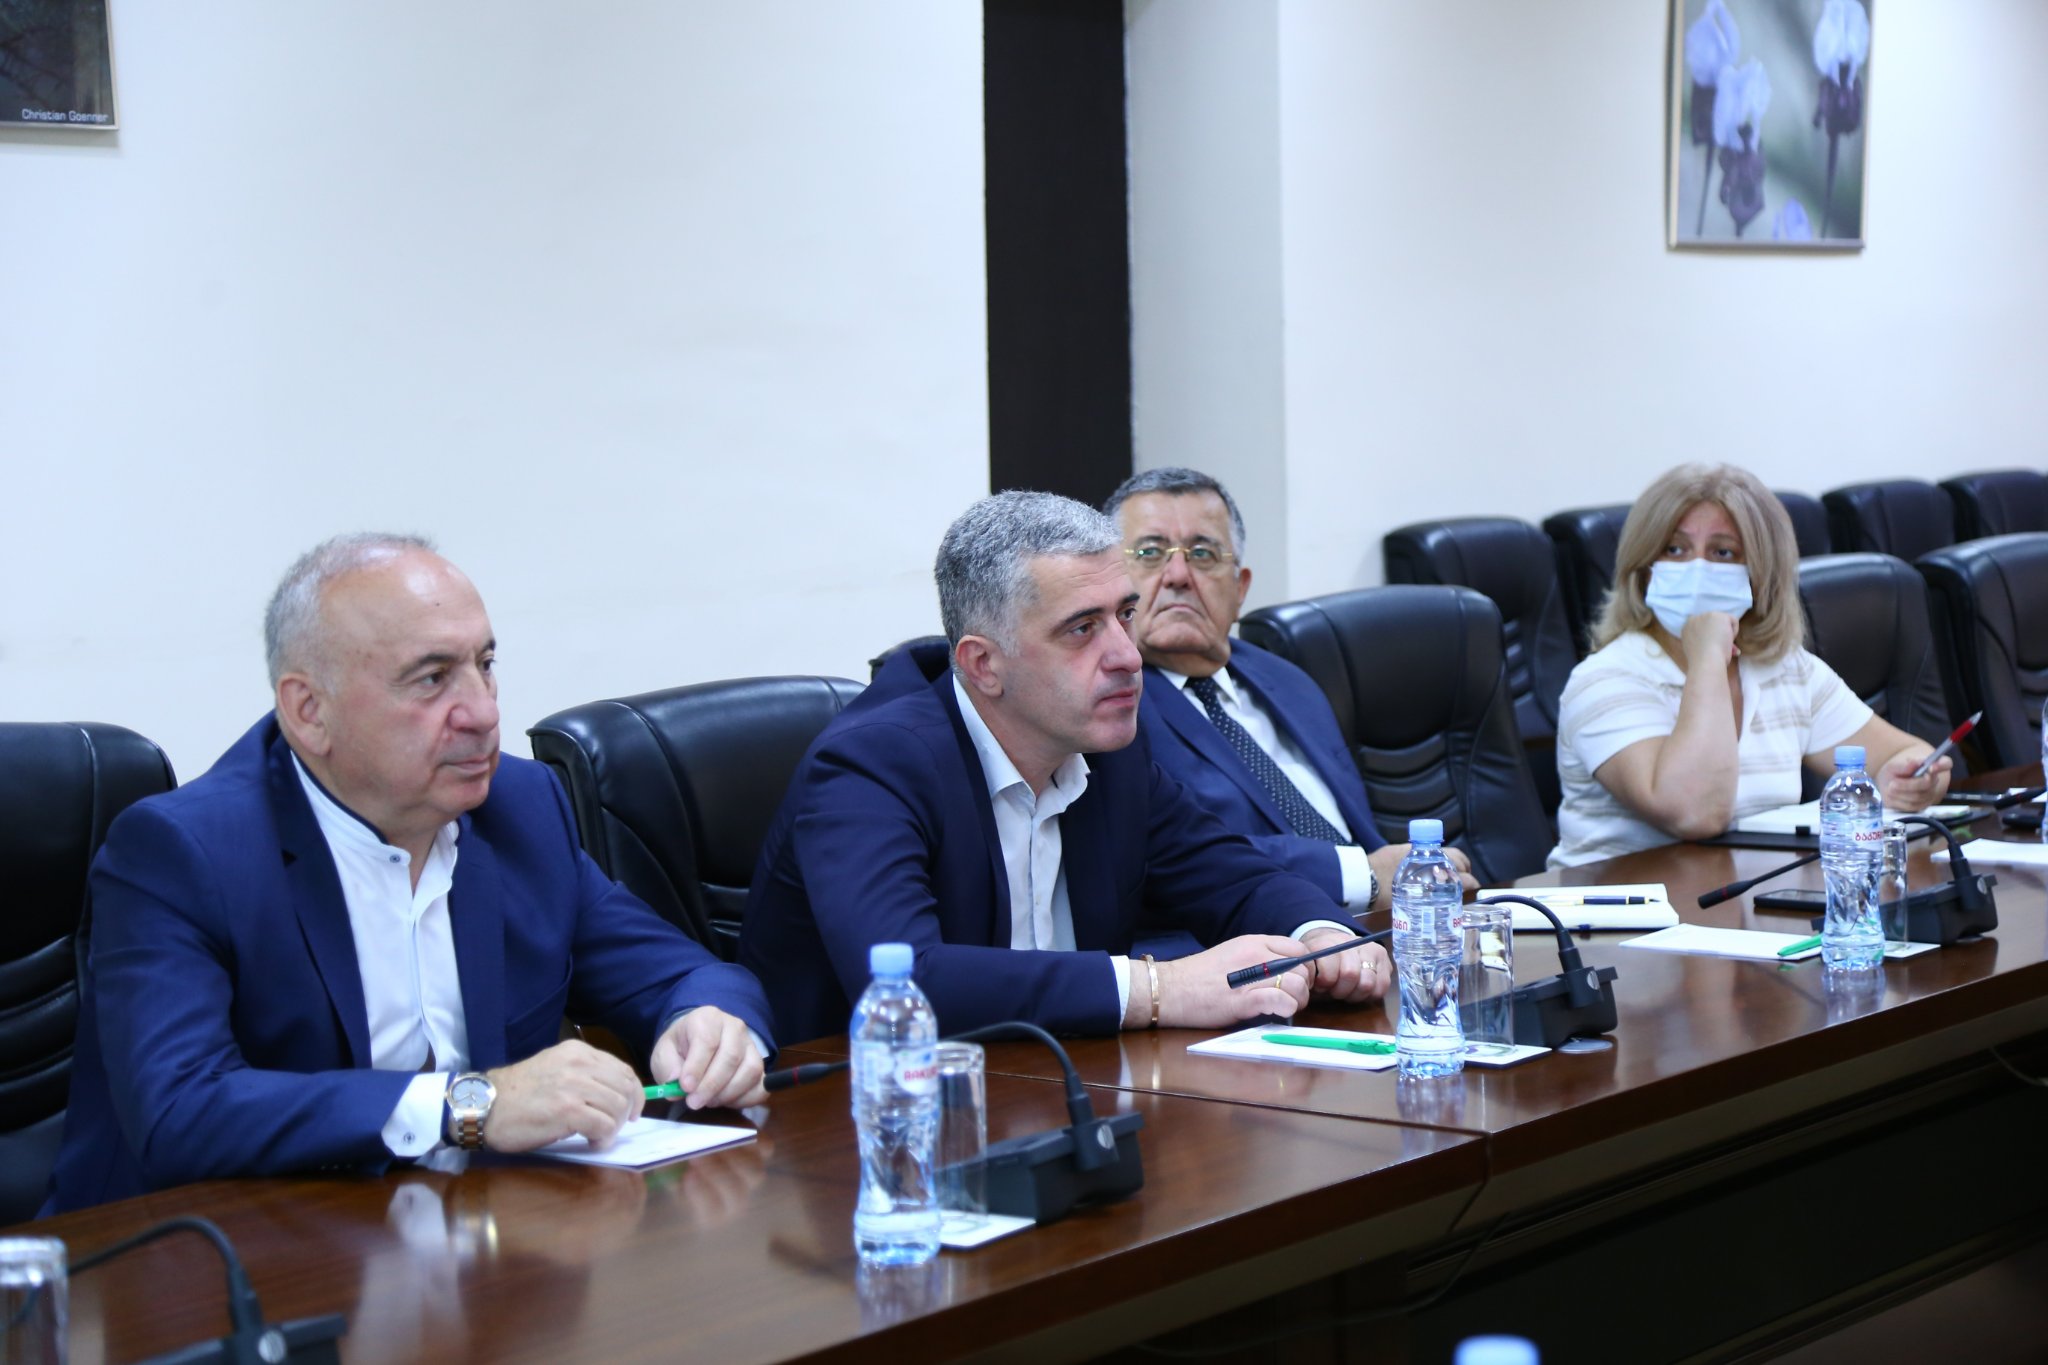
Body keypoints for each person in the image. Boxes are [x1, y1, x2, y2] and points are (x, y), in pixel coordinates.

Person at [45, 535, 774, 1213]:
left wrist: (706, 1022)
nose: (482, 712)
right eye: (432, 678)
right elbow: (180, 1112)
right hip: (209, 1257)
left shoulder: (520, 809)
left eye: (485, 664)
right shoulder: (185, 852)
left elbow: (684, 974)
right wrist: (468, 1105)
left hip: (469, 1237)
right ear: (309, 711)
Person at [740, 491, 1389, 1046]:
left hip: (1060, 1082)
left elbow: (1231, 875)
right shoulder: (870, 765)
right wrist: (1159, 988)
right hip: (853, 1114)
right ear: (983, 664)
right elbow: (910, 980)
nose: (1128, 656)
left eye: (1124, 615)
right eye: (1082, 629)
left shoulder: (1109, 752)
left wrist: (1323, 937)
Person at [1104, 467, 1477, 911]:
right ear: (1112, 583)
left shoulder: (1286, 678)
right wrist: (1360, 874)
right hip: (1249, 937)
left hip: (1383, 922)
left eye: (1203, 553)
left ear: (1240, 588)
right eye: (1150, 553)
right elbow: (1167, 854)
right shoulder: (1111, 704)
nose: (1178, 575)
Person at [1549, 464, 1951, 867]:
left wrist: (1909, 780)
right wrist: (1709, 656)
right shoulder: (1604, 680)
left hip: (1748, 896)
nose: (1696, 568)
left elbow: (1907, 753)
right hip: (1621, 903)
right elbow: (1694, 813)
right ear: (1643, 569)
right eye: (1674, 549)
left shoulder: (1787, 670)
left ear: (1761, 574)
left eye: (1723, 552)